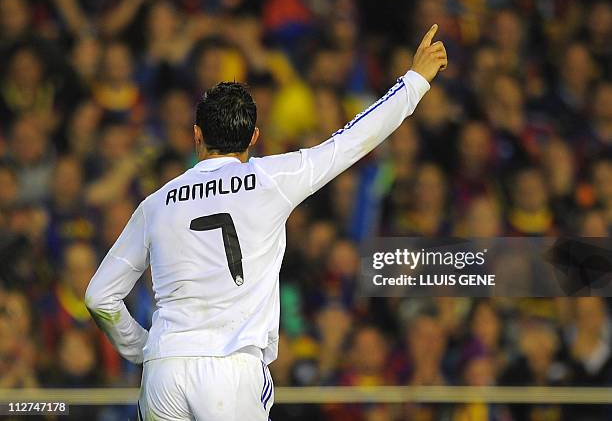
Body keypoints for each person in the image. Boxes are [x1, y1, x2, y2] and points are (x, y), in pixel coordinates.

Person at [85, 24, 447, 421]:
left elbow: (100, 296)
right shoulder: (272, 179)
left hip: (164, 372)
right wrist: (414, 81)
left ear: (196, 136)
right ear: (254, 136)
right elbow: (351, 140)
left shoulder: (156, 204)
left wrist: (145, 348)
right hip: (231, 368)